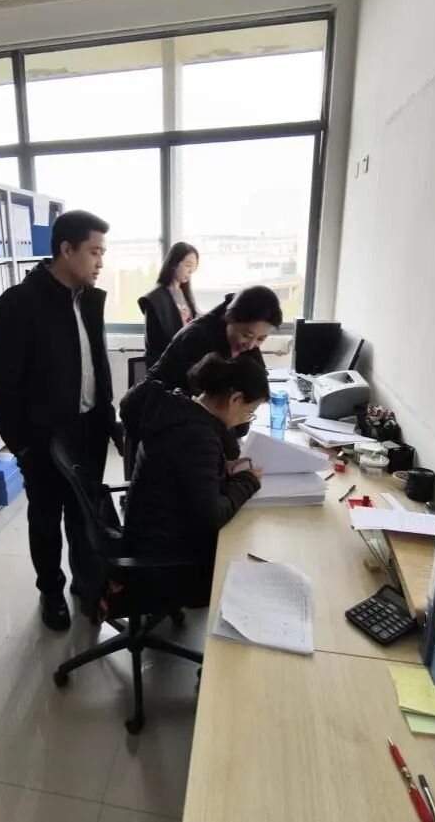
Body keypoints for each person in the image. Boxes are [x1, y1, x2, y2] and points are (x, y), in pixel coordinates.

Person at [0, 210, 117, 631]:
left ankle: (86, 583)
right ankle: (51, 591)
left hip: (89, 428)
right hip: (44, 438)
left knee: (85, 514)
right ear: (66, 250)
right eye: (94, 252)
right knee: (46, 518)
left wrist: (108, 417)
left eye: (102, 253)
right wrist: (22, 445)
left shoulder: (89, 299)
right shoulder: (19, 304)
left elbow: (96, 366)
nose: (100, 261)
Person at [119, 352, 268, 608]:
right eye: (249, 412)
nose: (247, 419)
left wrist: (221, 468)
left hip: (147, 536)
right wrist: (248, 481)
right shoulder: (197, 437)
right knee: (249, 551)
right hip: (167, 561)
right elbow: (211, 517)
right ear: (234, 399)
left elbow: (186, 474)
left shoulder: (180, 410)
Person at [148, 285, 283, 392]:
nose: (251, 345)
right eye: (247, 335)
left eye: (261, 339)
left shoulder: (247, 340)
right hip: (160, 407)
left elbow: (258, 378)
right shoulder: (197, 337)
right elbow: (207, 398)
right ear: (230, 317)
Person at [138, 242, 199, 368]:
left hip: (185, 362)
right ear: (174, 263)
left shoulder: (185, 294)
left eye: (193, 268)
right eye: (188, 265)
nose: (190, 272)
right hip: (165, 366)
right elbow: (154, 344)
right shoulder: (155, 298)